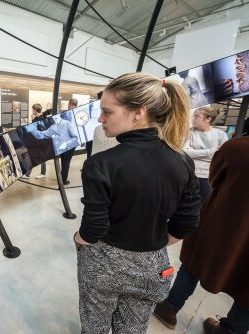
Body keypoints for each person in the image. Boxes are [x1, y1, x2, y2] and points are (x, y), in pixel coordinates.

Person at [74, 72, 201, 334]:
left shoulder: (100, 165)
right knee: (133, 328)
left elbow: (93, 229)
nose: (100, 119)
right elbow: (187, 221)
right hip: (153, 266)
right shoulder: (183, 161)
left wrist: (78, 238)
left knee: (94, 327)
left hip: (103, 267)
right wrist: (152, 244)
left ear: (137, 113)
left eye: (107, 111)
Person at [154, 118, 249, 334]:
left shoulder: (238, 148)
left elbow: (215, 178)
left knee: (193, 263)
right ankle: (230, 331)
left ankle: (170, 308)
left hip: (223, 222)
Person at [184, 106, 228, 200]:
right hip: (189, 174)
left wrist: (194, 152)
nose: (193, 119)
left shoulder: (221, 135)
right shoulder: (189, 132)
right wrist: (210, 151)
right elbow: (185, 153)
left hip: (208, 176)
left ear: (208, 119)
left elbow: (222, 157)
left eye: (197, 116)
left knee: (205, 205)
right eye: (193, 116)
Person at [22, 103, 47, 179]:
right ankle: (30, 174)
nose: (32, 111)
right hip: (36, 141)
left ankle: (40, 173)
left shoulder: (42, 118)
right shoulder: (37, 118)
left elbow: (36, 129)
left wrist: (33, 120)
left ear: (36, 110)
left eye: (33, 110)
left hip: (40, 142)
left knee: (39, 157)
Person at [59, 98, 78, 185]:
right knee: (67, 161)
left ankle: (61, 178)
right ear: (76, 105)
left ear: (69, 104)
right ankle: (63, 180)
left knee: (63, 160)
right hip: (72, 142)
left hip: (63, 140)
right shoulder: (77, 114)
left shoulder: (63, 114)